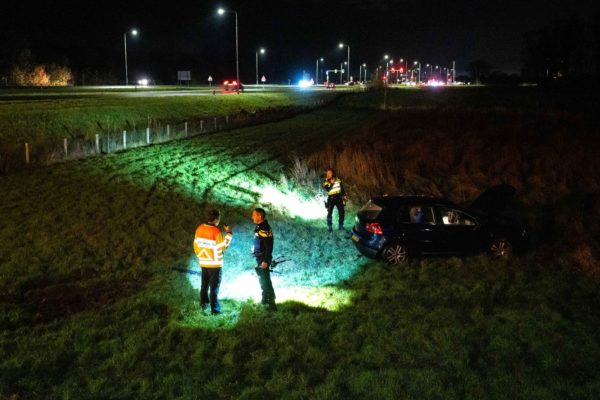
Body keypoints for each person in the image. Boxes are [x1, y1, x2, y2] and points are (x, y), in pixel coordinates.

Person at [193, 209, 232, 315]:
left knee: (204, 285)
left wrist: (201, 256)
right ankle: (215, 310)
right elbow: (223, 247)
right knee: (214, 288)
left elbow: (195, 246)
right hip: (215, 264)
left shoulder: (199, 228)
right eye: (219, 218)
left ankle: (203, 305)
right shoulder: (216, 232)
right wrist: (229, 233)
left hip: (203, 262)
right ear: (215, 219)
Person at [251, 207, 277, 311]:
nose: (252, 216)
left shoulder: (264, 228)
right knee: (263, 280)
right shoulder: (260, 226)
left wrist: (266, 260)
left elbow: (269, 246)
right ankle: (265, 300)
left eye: (254, 215)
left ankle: (272, 305)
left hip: (263, 258)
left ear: (259, 216)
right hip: (260, 257)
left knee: (265, 281)